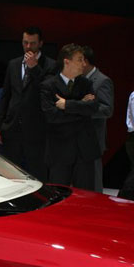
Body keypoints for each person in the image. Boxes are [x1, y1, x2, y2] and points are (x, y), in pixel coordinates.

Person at [0, 26, 58, 178]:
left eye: (33, 43)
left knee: (38, 173)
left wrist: (35, 68)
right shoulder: (14, 64)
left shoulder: (50, 65)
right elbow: (6, 96)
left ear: (41, 43)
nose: (28, 47)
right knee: (11, 174)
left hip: (37, 130)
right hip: (12, 128)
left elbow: (49, 90)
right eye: (25, 43)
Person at [39, 43, 99, 187]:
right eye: (79, 59)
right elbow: (52, 116)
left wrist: (67, 105)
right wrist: (81, 106)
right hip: (59, 150)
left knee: (86, 194)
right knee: (59, 193)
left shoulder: (86, 84)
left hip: (84, 149)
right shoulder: (48, 85)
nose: (84, 64)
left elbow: (93, 108)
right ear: (67, 61)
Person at [82, 46, 113, 192]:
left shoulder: (102, 80)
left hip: (93, 138)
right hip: (77, 137)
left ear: (85, 61)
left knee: (94, 180)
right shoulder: (77, 79)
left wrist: (83, 108)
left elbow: (107, 109)